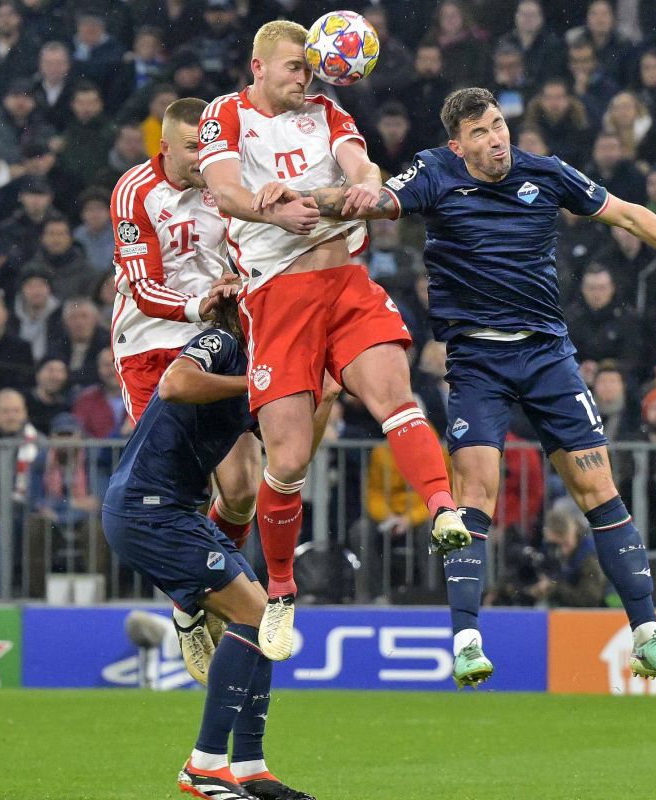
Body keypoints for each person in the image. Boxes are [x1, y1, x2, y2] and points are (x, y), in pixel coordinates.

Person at [281, 87, 656, 686]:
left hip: (546, 356)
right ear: (457, 145)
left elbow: (629, 214)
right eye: (481, 134)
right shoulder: (434, 174)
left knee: (599, 489)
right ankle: (465, 640)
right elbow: (375, 200)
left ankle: (647, 636)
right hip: (477, 362)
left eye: (498, 126)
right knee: (475, 497)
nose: (496, 140)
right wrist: (298, 200)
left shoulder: (545, 172)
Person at [198, 21, 470, 667]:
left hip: (345, 283)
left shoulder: (328, 111)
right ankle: (282, 588)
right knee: (288, 460)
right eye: (296, 66)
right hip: (278, 300)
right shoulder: (226, 115)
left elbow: (362, 166)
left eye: (314, 66)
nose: (308, 75)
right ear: (259, 66)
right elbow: (226, 191)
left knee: (395, 395)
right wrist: (269, 208)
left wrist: (363, 185)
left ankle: (442, 509)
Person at [101, 299, 328, 800]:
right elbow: (174, 384)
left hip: (172, 510)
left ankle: (250, 767)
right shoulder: (221, 343)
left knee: (264, 617)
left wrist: (324, 393)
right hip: (146, 509)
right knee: (253, 616)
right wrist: (256, 385)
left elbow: (295, 452)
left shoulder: (255, 374)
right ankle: (203, 766)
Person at [110, 97, 261, 552]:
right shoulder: (134, 190)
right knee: (175, 495)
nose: (204, 157)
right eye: (194, 147)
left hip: (216, 339)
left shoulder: (231, 183)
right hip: (148, 345)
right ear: (165, 148)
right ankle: (202, 596)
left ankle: (214, 591)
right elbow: (143, 288)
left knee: (241, 490)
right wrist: (201, 305)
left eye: (210, 144)